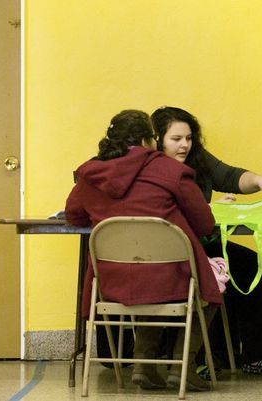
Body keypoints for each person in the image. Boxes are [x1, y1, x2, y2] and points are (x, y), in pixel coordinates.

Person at [65, 109, 220, 391]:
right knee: (213, 279)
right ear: (151, 140)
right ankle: (180, 367)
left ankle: (143, 367)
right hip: (168, 276)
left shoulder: (90, 174)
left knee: (150, 278)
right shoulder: (171, 171)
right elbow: (205, 223)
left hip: (113, 280)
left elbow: (73, 215)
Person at [150, 106, 262, 376]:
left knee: (249, 264)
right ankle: (199, 359)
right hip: (170, 251)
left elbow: (231, 176)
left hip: (199, 243)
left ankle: (257, 355)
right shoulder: (152, 169)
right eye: (176, 139)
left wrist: (259, 181)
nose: (185, 145)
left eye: (188, 138)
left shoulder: (196, 158)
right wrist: (209, 208)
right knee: (211, 275)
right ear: (158, 140)